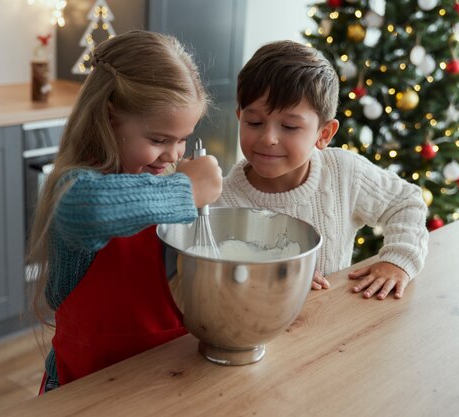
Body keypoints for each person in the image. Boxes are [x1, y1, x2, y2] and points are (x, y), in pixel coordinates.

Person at [27, 30, 222, 393]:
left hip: (165, 382)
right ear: (109, 117)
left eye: (182, 139)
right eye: (159, 139)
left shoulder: (168, 182)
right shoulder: (75, 184)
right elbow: (88, 210)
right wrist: (188, 189)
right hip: (83, 390)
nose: (174, 155)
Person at [216, 40, 428, 299]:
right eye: (254, 122)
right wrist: (270, 279)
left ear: (324, 133)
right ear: (240, 117)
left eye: (290, 127)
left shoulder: (343, 172)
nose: (268, 138)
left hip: (333, 327)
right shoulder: (220, 201)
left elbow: (406, 202)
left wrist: (397, 260)